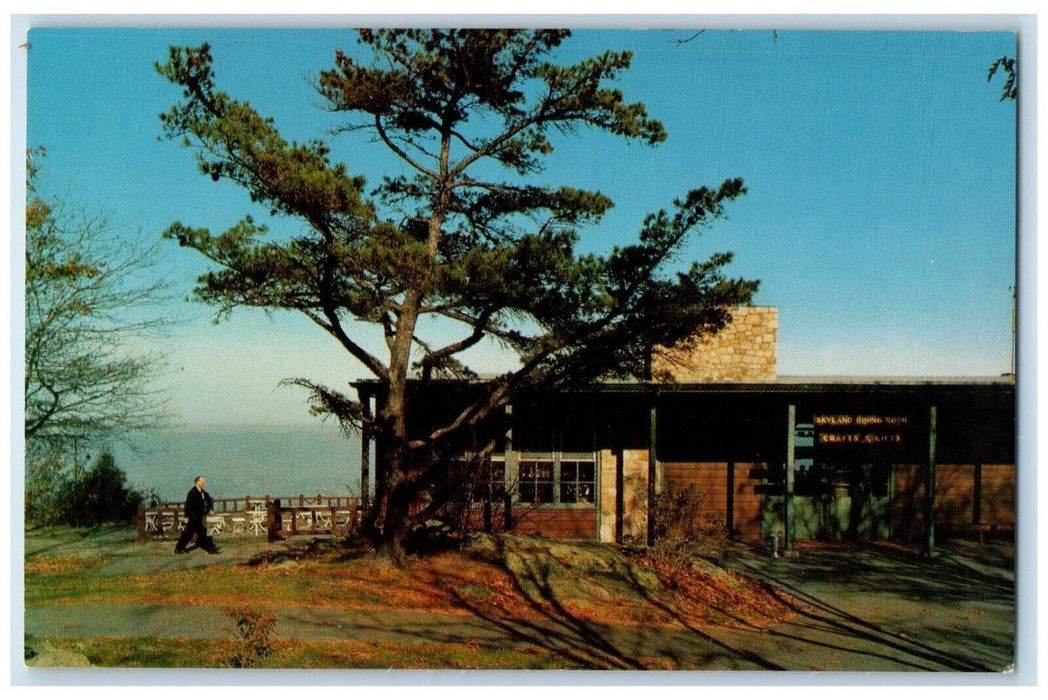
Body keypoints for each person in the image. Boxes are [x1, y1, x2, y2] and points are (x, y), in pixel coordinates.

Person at [174, 475, 220, 555]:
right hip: (193, 517)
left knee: (200, 534)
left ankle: (211, 549)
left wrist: (210, 510)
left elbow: (209, 502)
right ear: (197, 482)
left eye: (204, 482)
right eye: (203, 482)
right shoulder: (192, 493)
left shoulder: (204, 493)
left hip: (199, 518)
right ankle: (178, 549)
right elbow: (187, 505)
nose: (204, 484)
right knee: (188, 534)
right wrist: (186, 517)